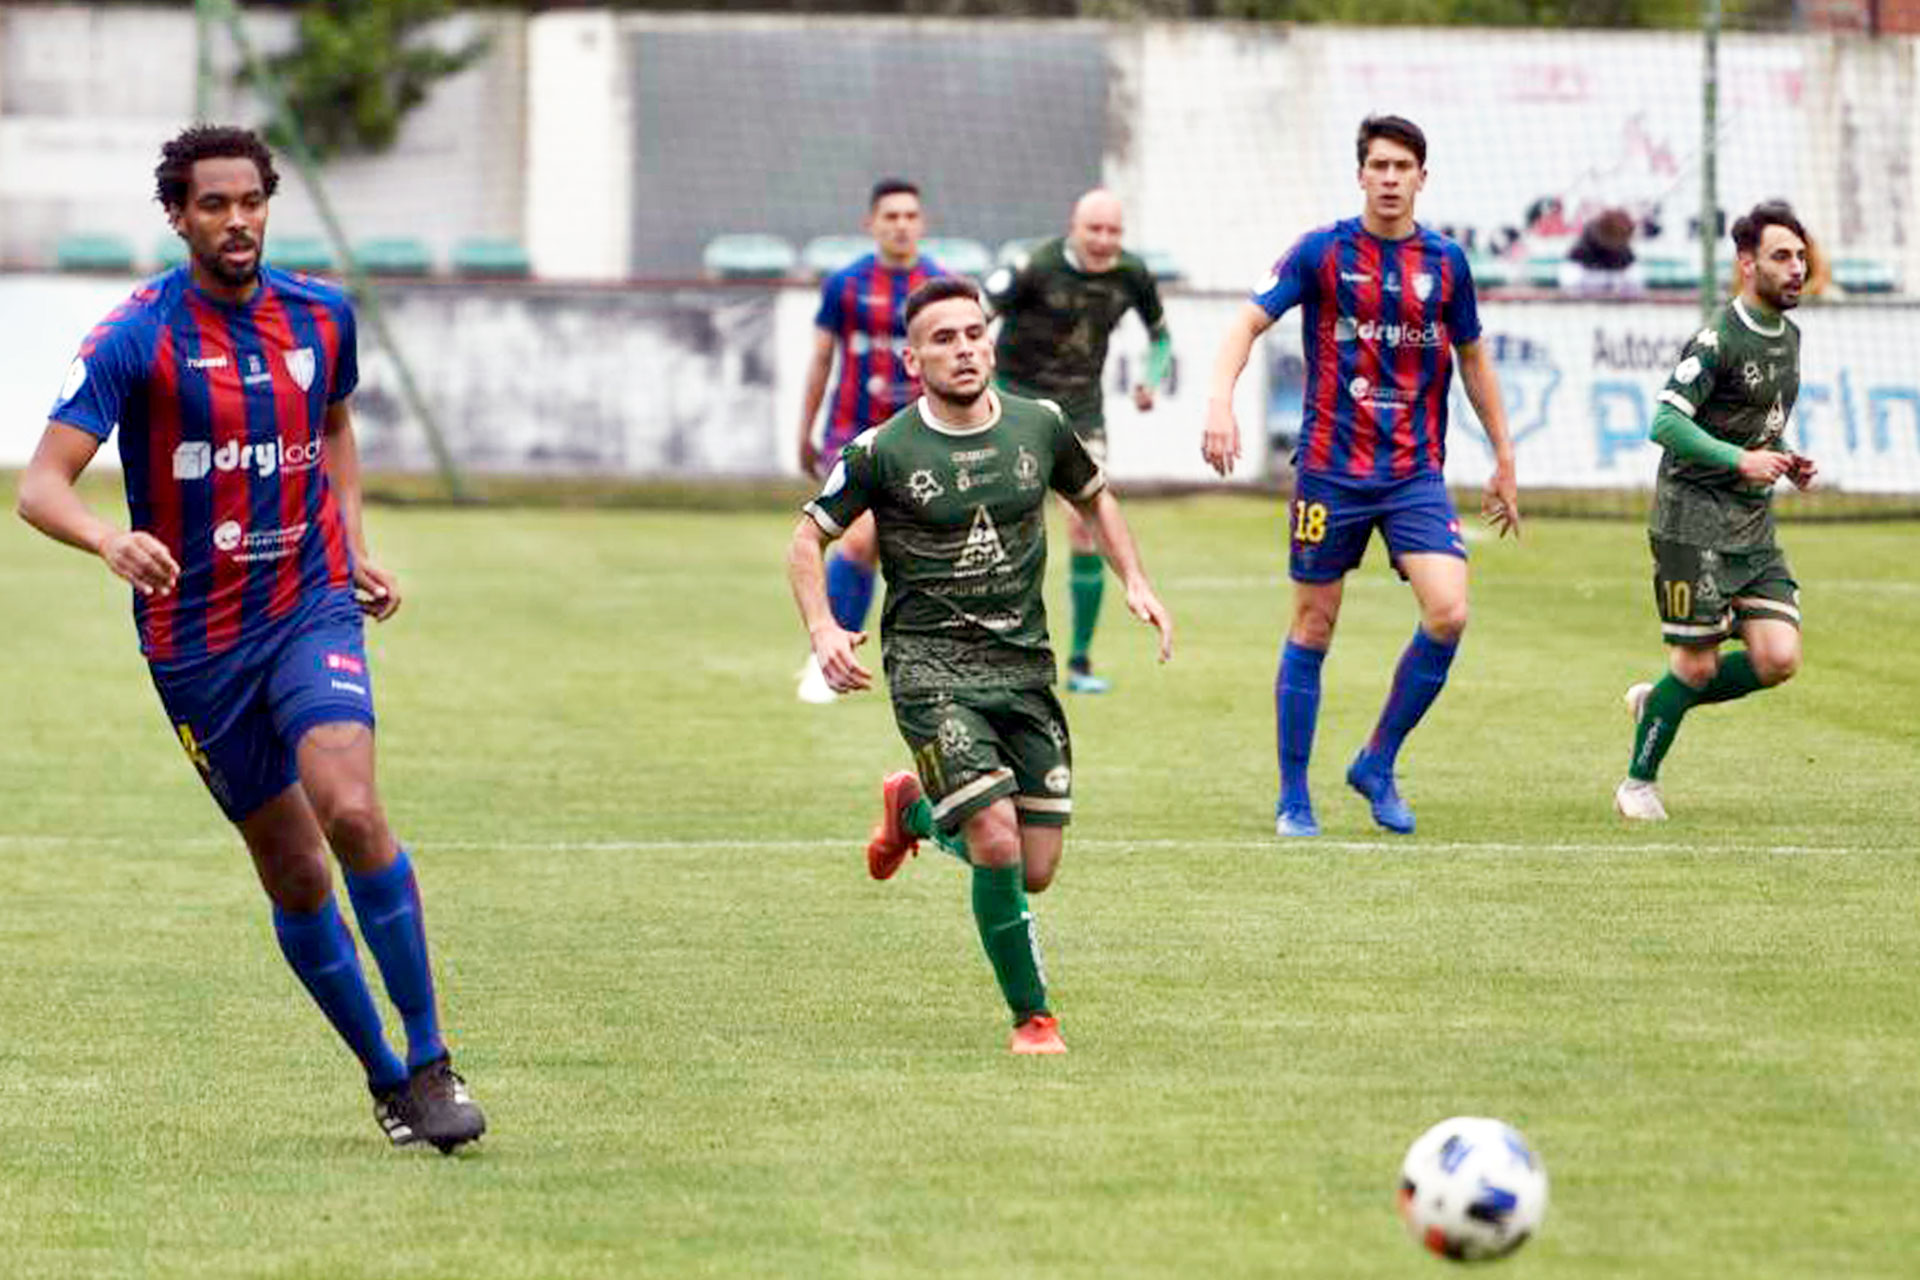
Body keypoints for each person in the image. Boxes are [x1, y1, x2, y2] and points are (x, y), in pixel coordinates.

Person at [14, 124, 485, 1152]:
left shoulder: (321, 314)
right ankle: (387, 1079)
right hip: (194, 645)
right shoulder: (135, 334)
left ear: (269, 204)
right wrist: (108, 536)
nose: (237, 222)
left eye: (251, 202)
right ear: (179, 217)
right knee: (296, 871)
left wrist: (352, 541)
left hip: (307, 604)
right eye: (214, 206)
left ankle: (434, 1053)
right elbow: (40, 485)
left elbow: (334, 425)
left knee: (353, 810)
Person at [787, 277, 1173, 1054]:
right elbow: (807, 539)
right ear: (912, 357)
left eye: (972, 334)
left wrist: (1135, 578)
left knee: (1033, 868)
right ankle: (1033, 1019)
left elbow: (1096, 495)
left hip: (1024, 669)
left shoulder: (1041, 426)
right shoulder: (882, 451)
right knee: (995, 839)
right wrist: (825, 627)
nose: (963, 349)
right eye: (943, 339)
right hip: (930, 670)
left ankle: (916, 815)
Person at [1200, 114, 1522, 839]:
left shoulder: (1446, 263)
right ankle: (1293, 798)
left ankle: (1377, 760)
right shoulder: (1321, 251)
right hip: (1329, 472)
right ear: (1361, 175)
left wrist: (1503, 454)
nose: (1388, 178)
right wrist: (1220, 398)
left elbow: (1472, 357)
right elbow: (1246, 323)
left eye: (1401, 167)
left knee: (1450, 611)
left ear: (1421, 178)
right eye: (1377, 165)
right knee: (1314, 624)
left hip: (1413, 472)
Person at [1614, 201, 1816, 821]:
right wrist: (1739, 460)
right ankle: (1637, 785)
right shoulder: (1716, 338)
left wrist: (1784, 457)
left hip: (1751, 524)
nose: (1796, 269)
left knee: (1778, 658)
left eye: (1801, 257)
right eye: (1782, 257)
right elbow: (1665, 420)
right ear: (1747, 263)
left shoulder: (1791, 337)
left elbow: (1760, 427)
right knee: (1697, 668)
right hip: (1691, 520)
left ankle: (1664, 700)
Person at [983, 188, 1171, 694]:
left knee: (1086, 524)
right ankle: (996, 650)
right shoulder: (1034, 265)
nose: (1104, 241)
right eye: (1095, 230)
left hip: (1080, 413)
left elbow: (1160, 336)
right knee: (1002, 523)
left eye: (1114, 231)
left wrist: (1153, 377)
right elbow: (979, 313)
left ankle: (1081, 662)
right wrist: (980, 378)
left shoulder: (1132, 274)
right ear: (1074, 225)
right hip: (1015, 404)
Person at [793, 178, 946, 703]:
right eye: (891, 216)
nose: (901, 224)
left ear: (922, 224)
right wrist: (805, 429)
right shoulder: (846, 285)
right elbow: (821, 358)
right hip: (852, 433)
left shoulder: (941, 286)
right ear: (872, 224)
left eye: (910, 216)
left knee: (894, 547)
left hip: (920, 436)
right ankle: (826, 658)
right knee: (857, 539)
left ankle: (922, 659)